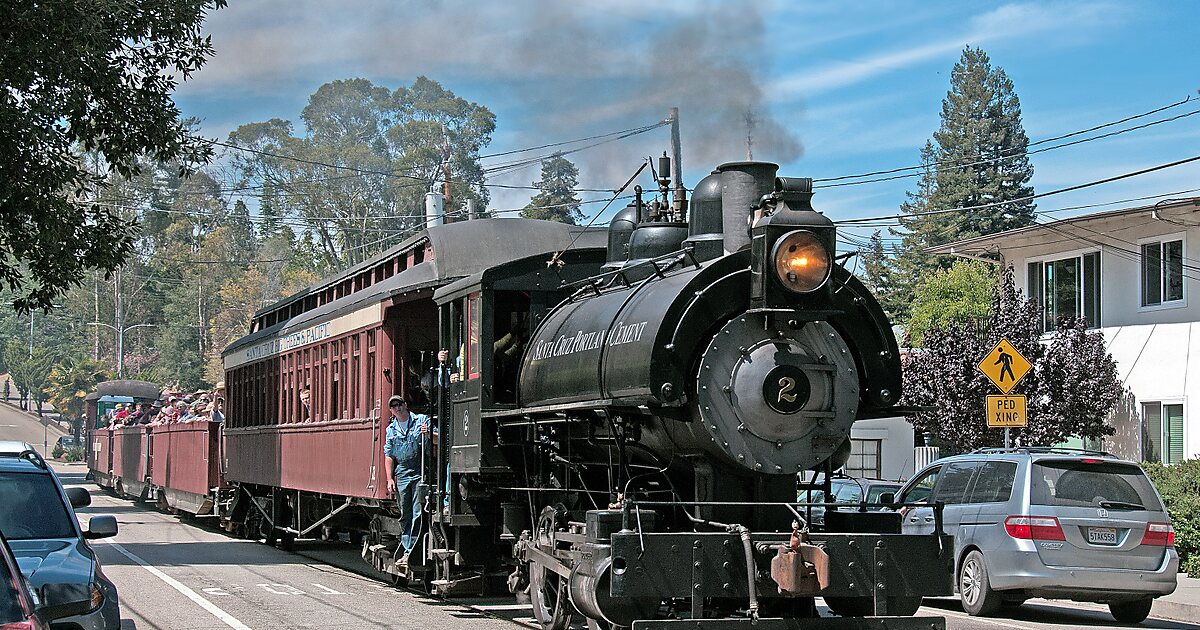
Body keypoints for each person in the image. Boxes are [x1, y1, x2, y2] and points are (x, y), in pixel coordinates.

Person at [383, 393, 435, 569]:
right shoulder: (391, 430)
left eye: (399, 404)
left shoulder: (421, 421)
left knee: (418, 512)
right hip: (403, 473)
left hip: (420, 471)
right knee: (405, 513)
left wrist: (428, 435)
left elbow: (438, 441)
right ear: (391, 410)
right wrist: (389, 478)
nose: (397, 408)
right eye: (393, 406)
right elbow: (389, 455)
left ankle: (412, 548)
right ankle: (407, 549)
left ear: (405, 405)